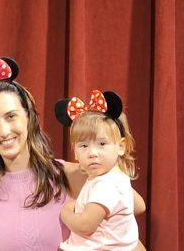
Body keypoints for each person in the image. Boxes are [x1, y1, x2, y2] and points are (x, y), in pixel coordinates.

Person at [0, 58, 87, 251]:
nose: (3, 132)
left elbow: (124, 231)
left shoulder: (70, 176)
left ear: (28, 116)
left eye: (11, 116)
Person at [57, 89, 140, 250]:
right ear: (75, 152)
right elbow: (140, 206)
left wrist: (65, 212)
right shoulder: (115, 177)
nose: (92, 153)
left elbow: (85, 226)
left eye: (102, 144)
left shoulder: (106, 184)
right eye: (83, 146)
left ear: (121, 147)